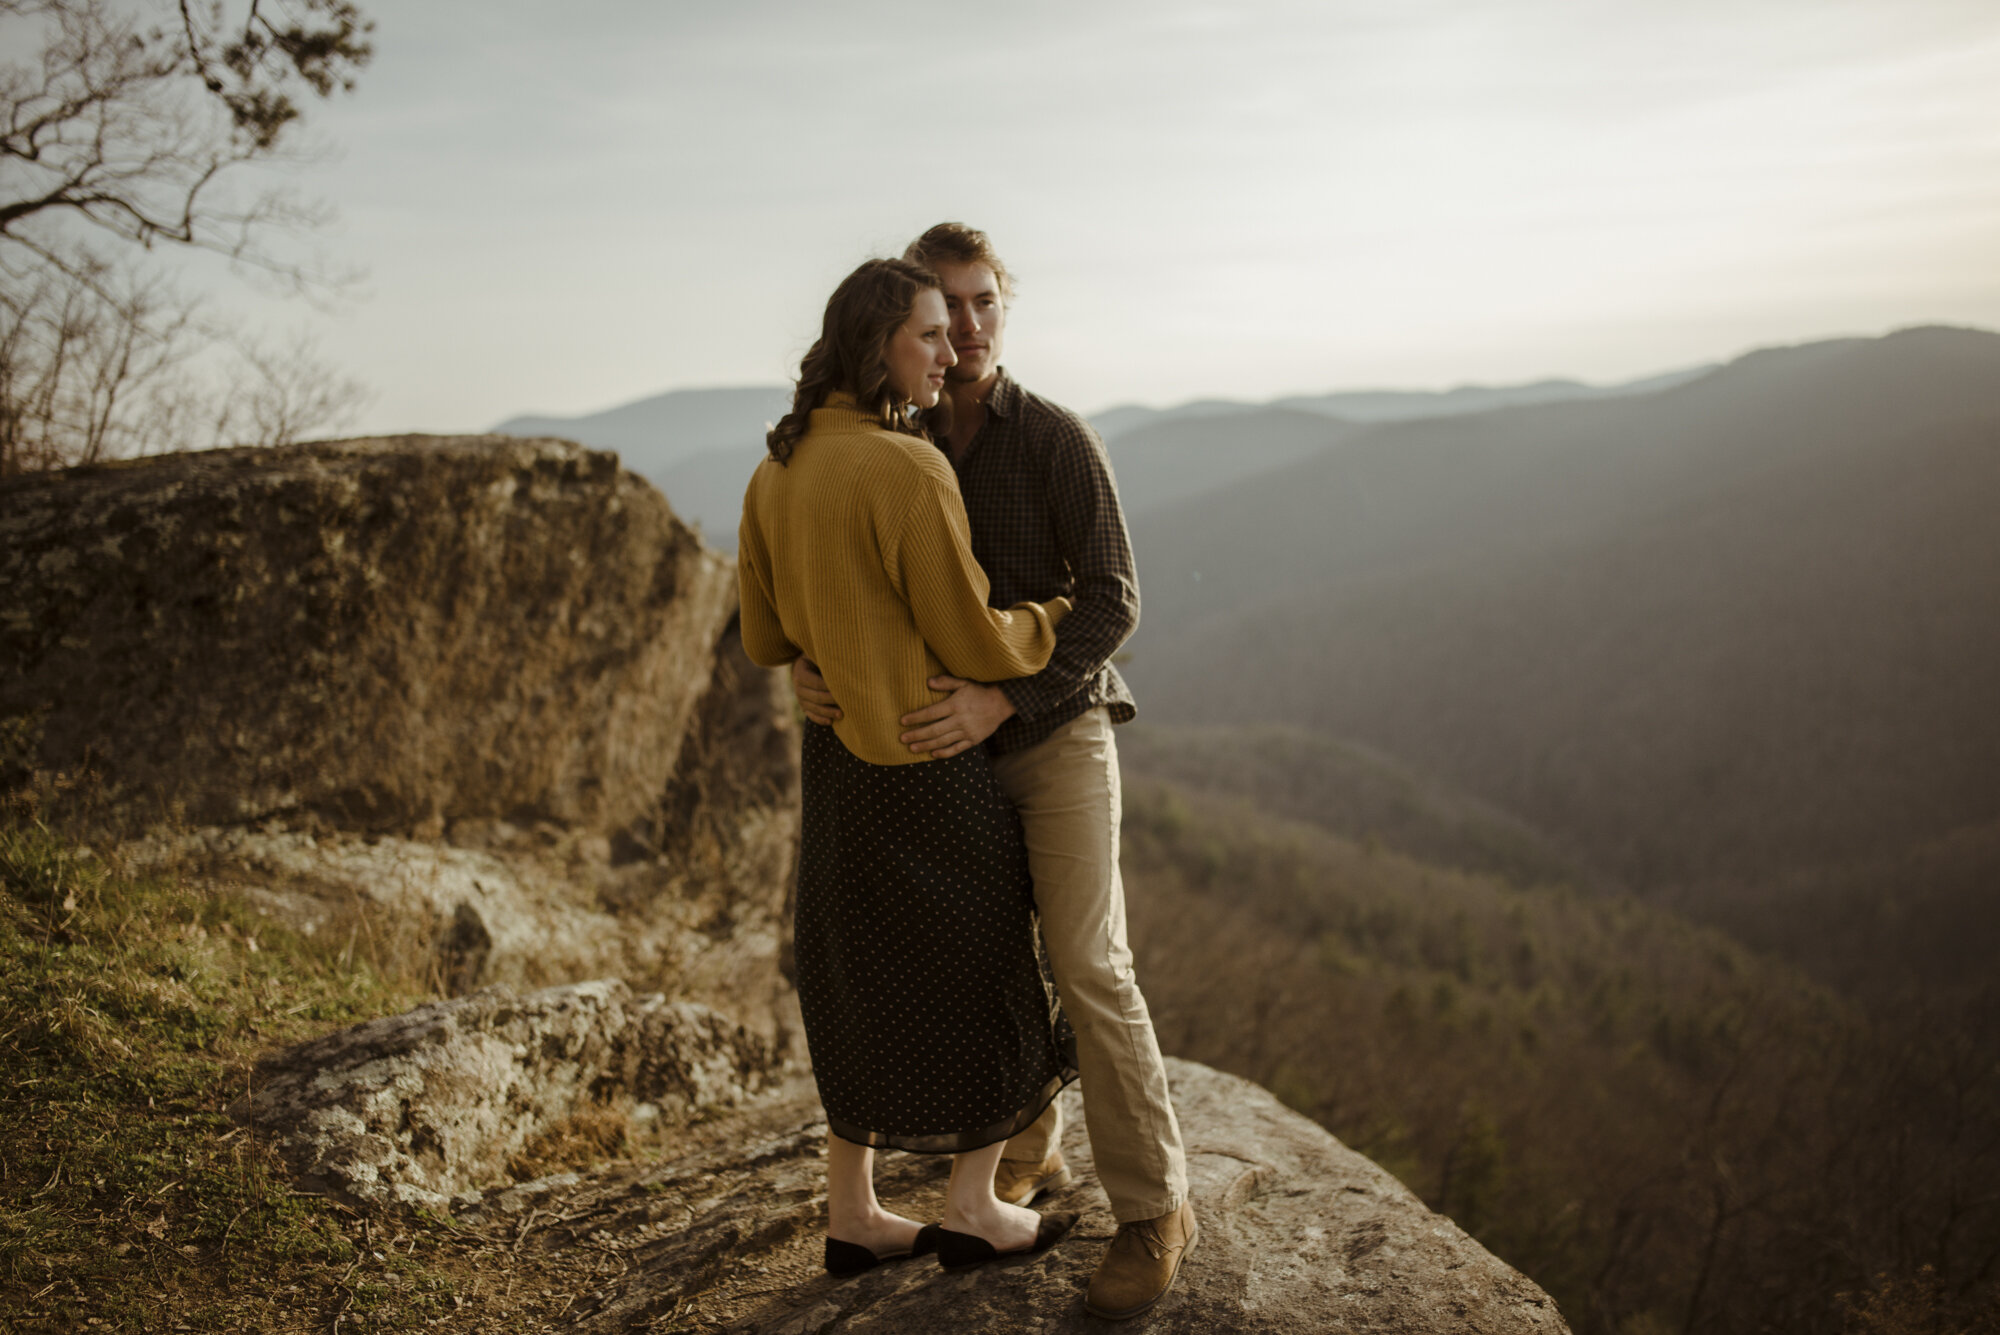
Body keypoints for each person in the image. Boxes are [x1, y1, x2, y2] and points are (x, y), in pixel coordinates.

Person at [790, 224, 1195, 1321]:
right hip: (935, 760)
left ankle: (1154, 1211)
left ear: (1001, 311)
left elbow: (1113, 599)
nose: (962, 327)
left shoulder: (1053, 438)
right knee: (976, 958)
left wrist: (1005, 697)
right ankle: (1026, 1142)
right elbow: (839, 585)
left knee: (1087, 964)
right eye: (943, 310)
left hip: (1052, 736)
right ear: (902, 329)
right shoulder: (889, 435)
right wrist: (806, 672)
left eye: (981, 304)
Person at [737, 257, 1082, 1276]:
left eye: (951, 333)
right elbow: (974, 642)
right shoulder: (906, 466)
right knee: (988, 978)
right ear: (876, 343)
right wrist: (1050, 616)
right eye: (928, 335)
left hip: (836, 768)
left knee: (855, 980)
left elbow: (764, 638)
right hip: (929, 763)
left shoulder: (775, 469)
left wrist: (820, 657)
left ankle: (853, 1213)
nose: (950, 353)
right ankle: (972, 1206)